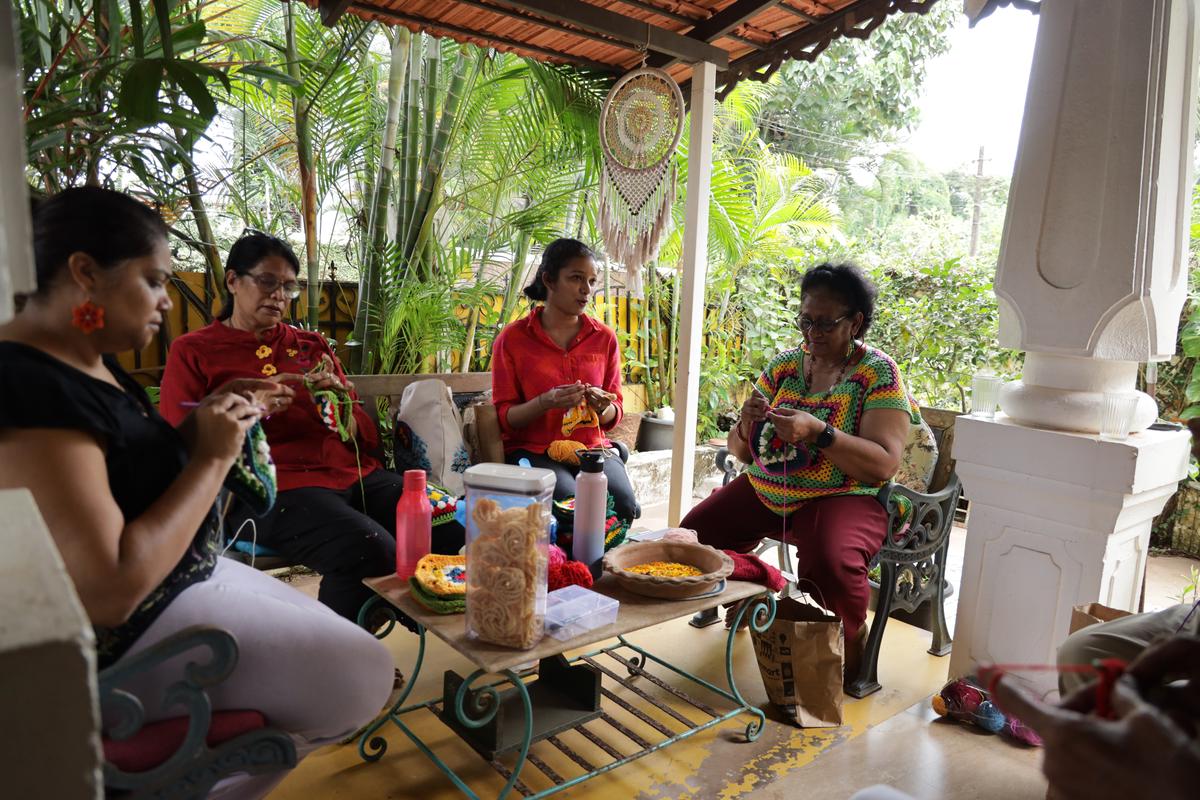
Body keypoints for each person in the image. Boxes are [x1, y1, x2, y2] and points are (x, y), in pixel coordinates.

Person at [0, 187, 393, 799]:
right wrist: (215, 452)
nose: (165, 298)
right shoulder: (34, 388)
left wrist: (213, 413)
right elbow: (109, 589)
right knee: (364, 675)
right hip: (141, 617)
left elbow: (132, 467)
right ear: (84, 273)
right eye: (154, 279)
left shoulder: (82, 358)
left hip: (190, 570)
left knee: (362, 645)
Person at [160, 231, 464, 622]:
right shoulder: (194, 351)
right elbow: (179, 442)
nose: (279, 295)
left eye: (289, 287)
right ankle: (343, 663)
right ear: (233, 280)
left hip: (349, 473)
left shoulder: (311, 346)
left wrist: (339, 404)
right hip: (271, 487)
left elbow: (359, 436)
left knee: (448, 526)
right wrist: (248, 409)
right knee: (369, 548)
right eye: (267, 282)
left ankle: (415, 627)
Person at [682, 262, 918, 663]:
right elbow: (741, 453)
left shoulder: (877, 372)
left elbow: (883, 465)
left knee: (828, 562)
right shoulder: (787, 365)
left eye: (826, 324)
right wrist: (746, 422)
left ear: (856, 323)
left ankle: (849, 643)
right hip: (771, 488)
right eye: (805, 321)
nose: (812, 334)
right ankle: (759, 590)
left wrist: (819, 433)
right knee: (694, 537)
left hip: (846, 494)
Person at [490, 238, 640, 523]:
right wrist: (545, 402)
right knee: (575, 508)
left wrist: (601, 407)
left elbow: (614, 412)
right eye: (576, 278)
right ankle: (571, 567)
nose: (587, 289)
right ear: (549, 280)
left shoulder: (604, 338)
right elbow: (505, 417)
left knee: (622, 506)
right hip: (534, 450)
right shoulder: (513, 340)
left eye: (593, 281)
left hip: (592, 448)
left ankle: (605, 567)